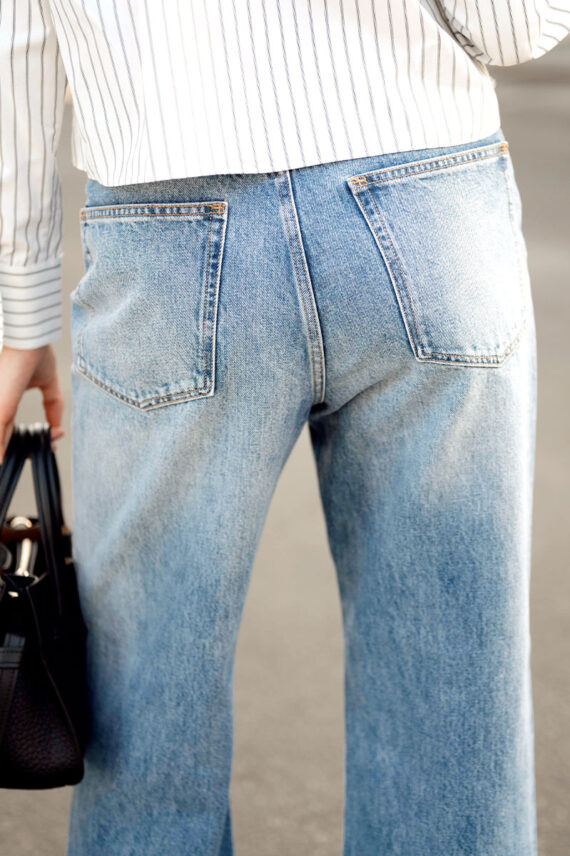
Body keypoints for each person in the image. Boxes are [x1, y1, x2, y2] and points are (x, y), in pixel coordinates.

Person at [1, 2, 569, 855]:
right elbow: (517, 28)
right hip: (428, 201)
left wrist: (22, 303)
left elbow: (16, 28)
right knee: (451, 720)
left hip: (166, 220)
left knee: (144, 730)